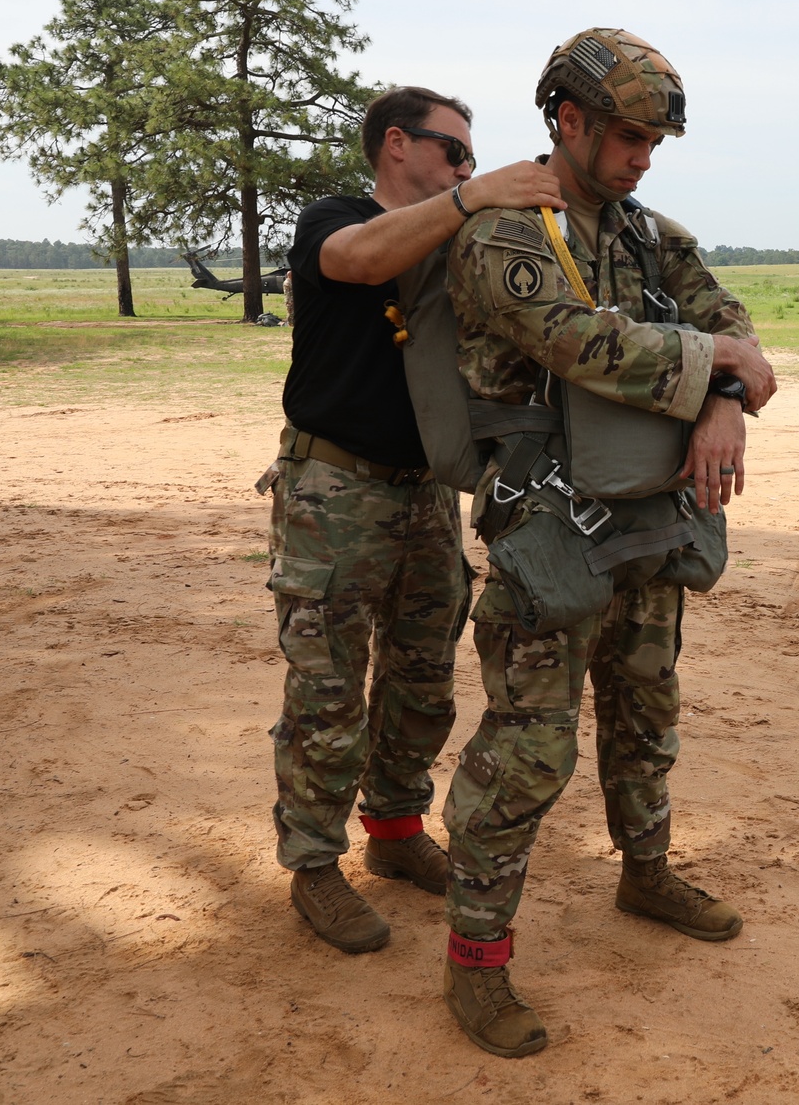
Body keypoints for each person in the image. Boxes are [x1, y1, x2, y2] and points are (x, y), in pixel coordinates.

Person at [440, 29, 778, 1056]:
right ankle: (476, 959)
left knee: (646, 710)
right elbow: (577, 344)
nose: (641, 155)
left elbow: (733, 322)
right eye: (628, 135)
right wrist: (715, 359)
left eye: (653, 141)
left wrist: (722, 398)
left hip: (647, 516)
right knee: (528, 748)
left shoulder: (644, 234)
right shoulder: (506, 234)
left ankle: (645, 874)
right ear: (568, 119)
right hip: (547, 528)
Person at [262, 85, 565, 956]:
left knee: (424, 677)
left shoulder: (455, 233)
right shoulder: (336, 217)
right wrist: (473, 196)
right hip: (334, 492)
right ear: (397, 143)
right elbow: (359, 262)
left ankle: (394, 833)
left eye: (472, 157)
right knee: (326, 691)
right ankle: (315, 867)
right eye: (453, 151)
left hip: (428, 491)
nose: (466, 166)